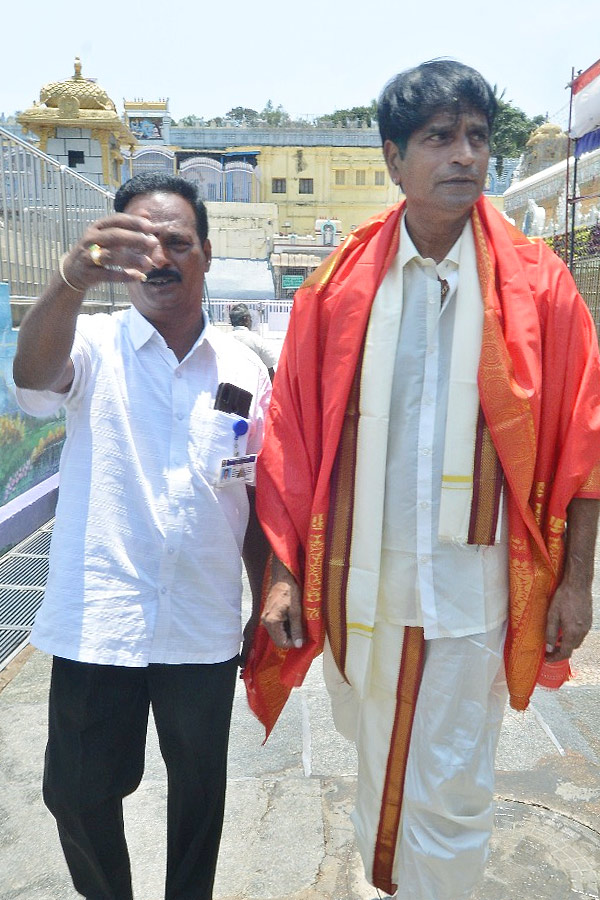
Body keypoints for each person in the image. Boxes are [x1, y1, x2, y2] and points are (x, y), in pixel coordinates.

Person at [243, 60, 600, 900]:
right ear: (393, 158)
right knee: (374, 752)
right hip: (360, 581)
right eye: (440, 137)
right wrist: (284, 575)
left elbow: (586, 442)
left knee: (455, 775)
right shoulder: (336, 291)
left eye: (477, 136)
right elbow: (290, 440)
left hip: (476, 587)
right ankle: (388, 886)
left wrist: (578, 585)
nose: (464, 155)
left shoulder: (541, 286)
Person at [13, 172, 271, 900]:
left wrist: (270, 589)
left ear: (208, 254)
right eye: (139, 244)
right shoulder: (91, 345)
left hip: (200, 626)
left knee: (199, 799)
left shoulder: (243, 366)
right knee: (78, 794)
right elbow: (31, 377)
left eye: (177, 242)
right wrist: (70, 277)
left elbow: (251, 488)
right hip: (101, 622)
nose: (159, 259)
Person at [229, 302, 278, 380]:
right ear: (246, 320)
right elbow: (270, 369)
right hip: (253, 386)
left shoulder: (224, 340)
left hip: (228, 386)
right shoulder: (257, 341)